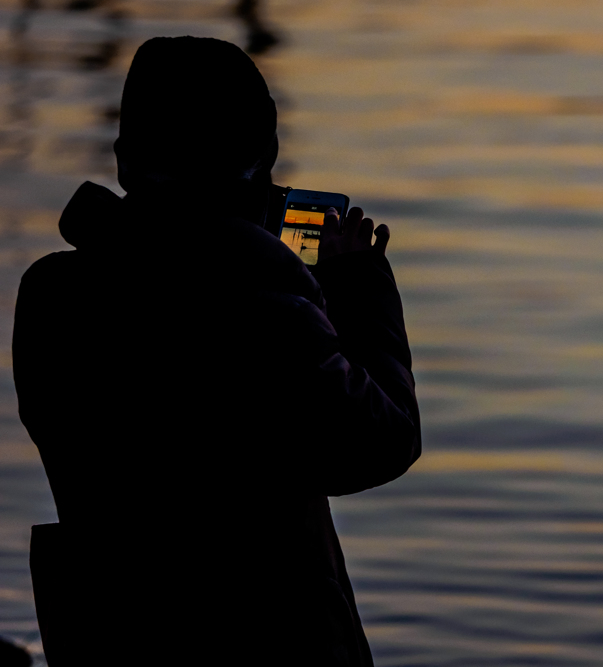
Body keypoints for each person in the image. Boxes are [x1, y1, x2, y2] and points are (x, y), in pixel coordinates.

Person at [12, 36, 420, 666]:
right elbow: (380, 441)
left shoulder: (53, 296)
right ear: (267, 158)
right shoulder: (267, 315)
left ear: (123, 162)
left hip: (113, 641)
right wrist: (356, 290)